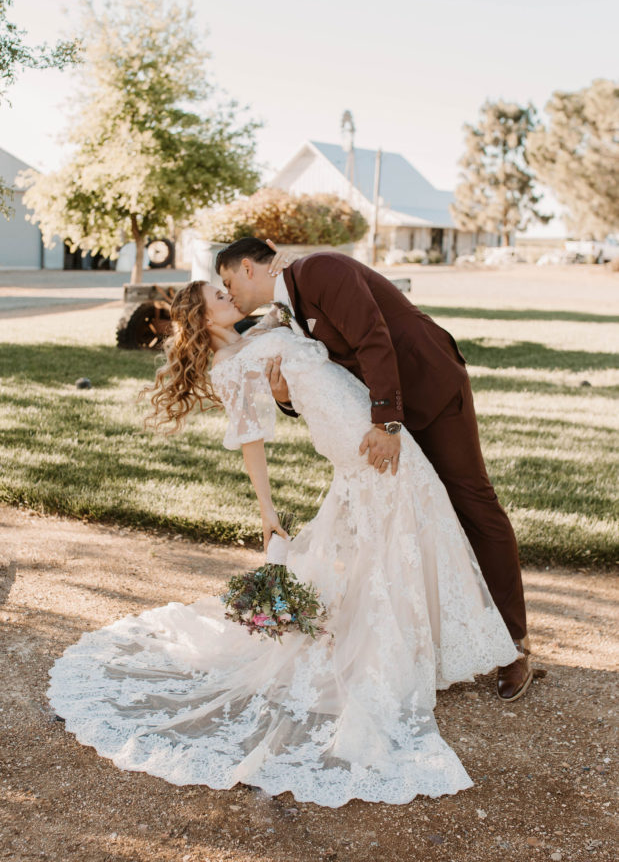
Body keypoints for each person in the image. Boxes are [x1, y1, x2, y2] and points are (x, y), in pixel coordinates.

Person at [48, 279, 520, 808]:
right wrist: (267, 511)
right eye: (219, 299)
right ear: (204, 322)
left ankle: (424, 647)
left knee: (409, 532)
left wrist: (287, 391)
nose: (230, 296)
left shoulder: (263, 329)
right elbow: (252, 440)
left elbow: (311, 378)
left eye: (227, 289)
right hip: (358, 445)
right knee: (397, 535)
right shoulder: (230, 366)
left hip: (371, 429)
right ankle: (390, 656)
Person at [216, 238, 540, 702]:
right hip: (386, 411)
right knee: (425, 516)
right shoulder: (286, 309)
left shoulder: (320, 270)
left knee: (472, 502)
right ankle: (449, 641)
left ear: (247, 267)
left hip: (428, 389)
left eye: (228, 283)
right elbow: (326, 375)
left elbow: (372, 336)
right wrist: (286, 398)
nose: (231, 295)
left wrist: (386, 421)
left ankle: (514, 644)